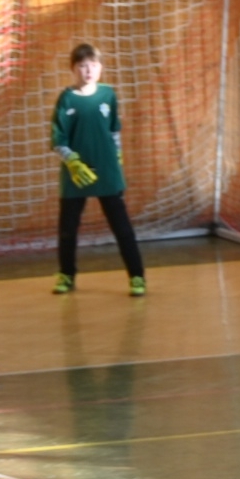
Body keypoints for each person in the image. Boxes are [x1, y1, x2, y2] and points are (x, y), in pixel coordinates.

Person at [50, 43, 145, 296]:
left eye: (93, 65)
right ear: (73, 69)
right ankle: (66, 275)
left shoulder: (108, 95)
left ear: (100, 67)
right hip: (76, 174)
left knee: (122, 228)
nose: (88, 70)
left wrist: (117, 156)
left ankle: (137, 277)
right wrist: (72, 161)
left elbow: (114, 131)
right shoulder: (66, 98)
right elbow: (58, 139)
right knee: (67, 229)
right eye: (82, 66)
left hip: (107, 170)